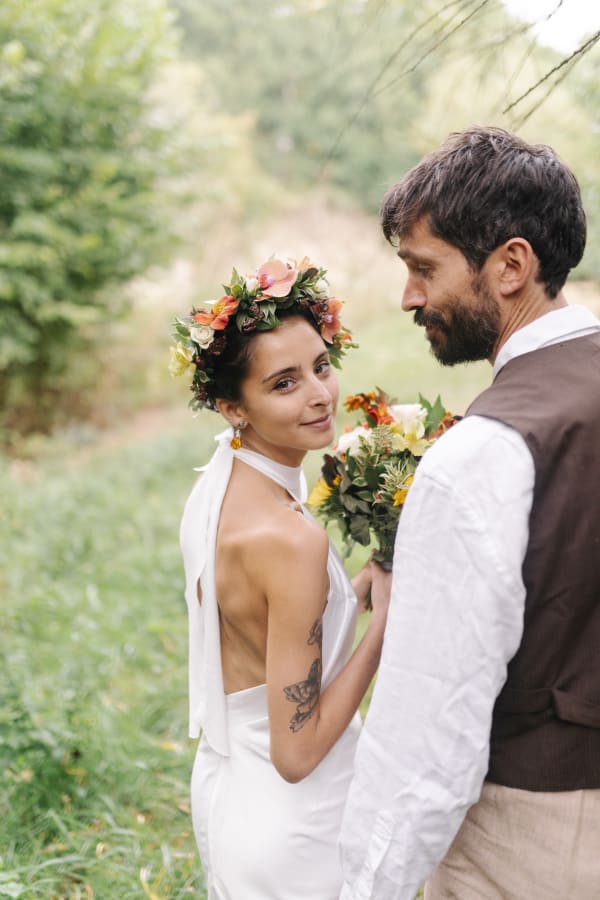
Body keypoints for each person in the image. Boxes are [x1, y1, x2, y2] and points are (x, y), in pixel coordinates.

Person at [339, 126, 600, 900]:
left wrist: (368, 885)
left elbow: (430, 728)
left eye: (425, 269)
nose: (410, 298)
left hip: (529, 840)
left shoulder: (484, 452)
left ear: (511, 264)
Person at [172, 256, 391, 899]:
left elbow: (266, 629)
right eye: (284, 383)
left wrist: (356, 589)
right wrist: (387, 626)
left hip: (236, 802)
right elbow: (296, 756)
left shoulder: (216, 492)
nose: (321, 394)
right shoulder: (291, 539)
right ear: (231, 406)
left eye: (321, 367)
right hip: (297, 828)